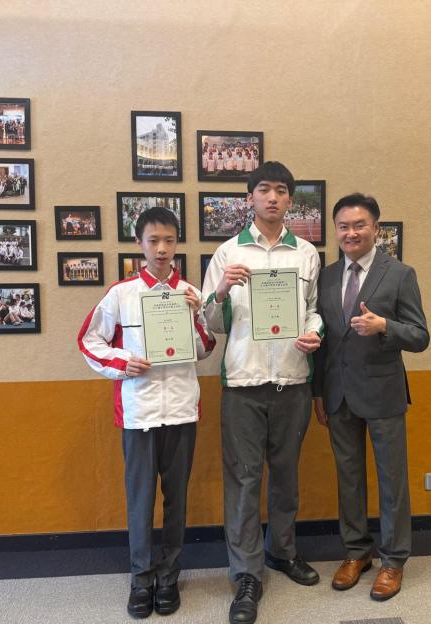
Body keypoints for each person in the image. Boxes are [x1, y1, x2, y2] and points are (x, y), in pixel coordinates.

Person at [78, 207, 216, 619]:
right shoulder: (121, 294)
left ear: (177, 243)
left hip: (181, 411)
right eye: (153, 240)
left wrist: (197, 312)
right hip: (139, 412)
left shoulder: (189, 292)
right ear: (139, 243)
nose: (161, 249)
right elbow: (89, 341)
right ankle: (141, 578)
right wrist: (124, 362)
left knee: (176, 498)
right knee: (140, 499)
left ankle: (169, 576)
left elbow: (206, 348)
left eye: (169, 240)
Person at [201, 161, 323, 624]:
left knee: (286, 475)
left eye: (281, 191)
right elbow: (210, 324)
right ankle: (246, 574)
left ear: (291, 199)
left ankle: (282, 551)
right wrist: (221, 291)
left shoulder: (306, 254)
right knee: (245, 480)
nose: (273, 198)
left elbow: (313, 310)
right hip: (243, 384)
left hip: (292, 380)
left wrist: (314, 332)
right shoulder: (227, 253)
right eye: (265, 190)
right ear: (249, 197)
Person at [313, 192, 430, 602]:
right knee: (348, 478)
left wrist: (384, 326)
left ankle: (393, 560)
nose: (351, 233)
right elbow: (323, 341)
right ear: (336, 231)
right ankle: (356, 552)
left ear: (375, 229)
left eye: (359, 225)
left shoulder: (399, 274)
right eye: (343, 226)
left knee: (392, 479)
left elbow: (420, 336)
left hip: (383, 393)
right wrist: (318, 393)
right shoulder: (326, 276)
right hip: (338, 394)